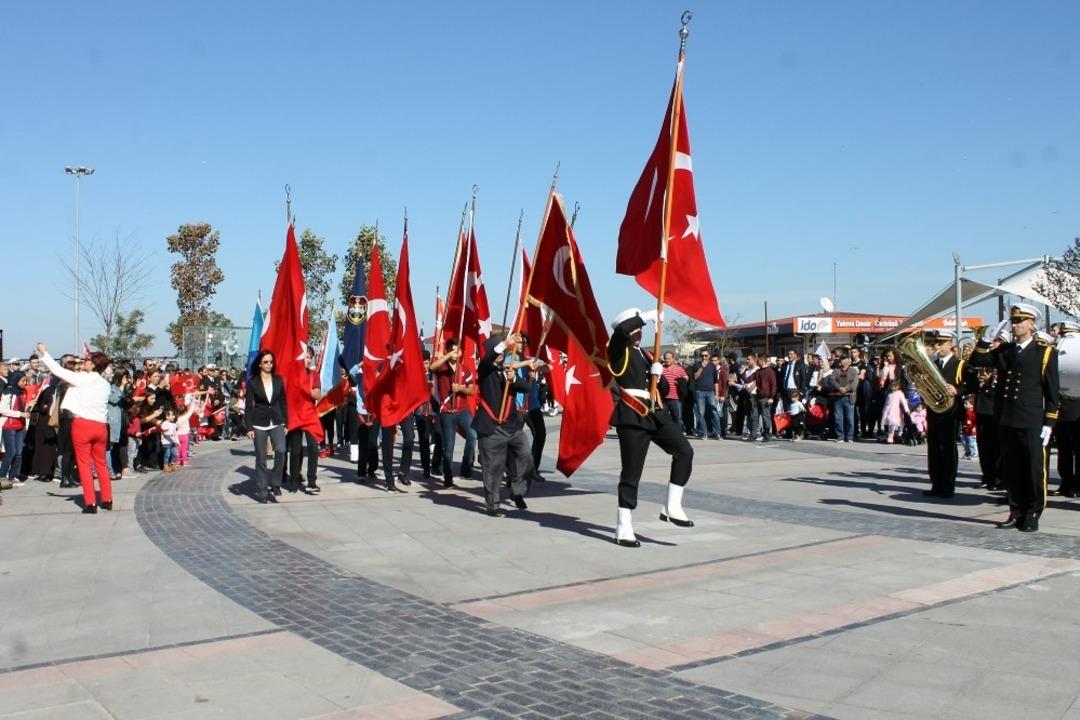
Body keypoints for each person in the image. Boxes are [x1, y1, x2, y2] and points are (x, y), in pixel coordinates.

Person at [607, 308, 694, 548]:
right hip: (631, 415)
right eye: (637, 327)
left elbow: (663, 390)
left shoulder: (646, 354)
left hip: (654, 413)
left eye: (642, 327)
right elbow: (621, 332)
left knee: (684, 451)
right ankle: (624, 524)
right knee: (632, 472)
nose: (641, 331)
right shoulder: (617, 350)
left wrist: (660, 374)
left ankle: (672, 506)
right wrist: (644, 316)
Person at [968, 304, 1059, 532]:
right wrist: (985, 341)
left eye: (1020, 321)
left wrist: (1049, 422)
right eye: (1013, 321)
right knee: (1012, 468)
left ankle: (1032, 512)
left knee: (1033, 469)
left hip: (1031, 419)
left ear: (1031, 324)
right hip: (1007, 417)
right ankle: (1015, 510)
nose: (1015, 325)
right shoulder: (1005, 350)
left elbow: (1051, 391)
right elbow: (976, 362)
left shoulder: (1044, 352)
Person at [36, 343, 114, 513]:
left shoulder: (81, 378)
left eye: (87, 360)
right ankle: (107, 500)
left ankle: (90, 503)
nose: (83, 362)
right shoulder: (105, 384)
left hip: (82, 425)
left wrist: (43, 353)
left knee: (84, 464)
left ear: (93, 364)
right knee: (101, 464)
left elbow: (57, 370)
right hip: (100, 426)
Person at [473, 334, 535, 516]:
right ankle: (493, 505)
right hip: (491, 427)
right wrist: (503, 344)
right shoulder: (484, 369)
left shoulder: (507, 370)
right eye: (501, 350)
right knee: (493, 468)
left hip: (511, 426)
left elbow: (524, 388)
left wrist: (514, 379)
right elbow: (488, 359)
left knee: (526, 457)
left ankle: (517, 491)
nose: (504, 354)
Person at [921, 330, 965, 499]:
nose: (937, 347)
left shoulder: (960, 364)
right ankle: (936, 483)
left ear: (950, 344)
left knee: (948, 449)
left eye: (941, 343)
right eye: (936, 343)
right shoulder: (933, 364)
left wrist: (958, 390)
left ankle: (949, 485)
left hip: (950, 413)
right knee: (933, 449)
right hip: (934, 412)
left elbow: (971, 384)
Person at [429, 338, 477, 487]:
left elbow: (471, 390)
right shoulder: (442, 368)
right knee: (448, 448)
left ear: (461, 352)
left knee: (473, 435)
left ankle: (466, 468)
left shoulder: (465, 369)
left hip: (463, 411)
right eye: (452, 350)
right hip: (447, 412)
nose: (455, 352)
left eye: (457, 350)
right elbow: (431, 368)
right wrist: (447, 356)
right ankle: (447, 477)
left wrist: (461, 389)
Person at [244, 350, 288, 504]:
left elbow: (283, 402)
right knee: (261, 458)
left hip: (276, 420)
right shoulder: (253, 382)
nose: (269, 364)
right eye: (266, 362)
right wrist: (249, 427)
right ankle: (262, 490)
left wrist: (286, 423)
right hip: (259, 423)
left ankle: (276, 482)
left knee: (281, 450)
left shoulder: (278, 380)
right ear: (260, 364)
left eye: (271, 362)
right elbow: (249, 406)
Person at [1053, 321, 1080, 497]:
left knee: (1077, 449)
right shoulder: (1056, 352)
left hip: (1077, 407)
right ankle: (1065, 482)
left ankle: (1077, 485)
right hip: (1060, 409)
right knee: (1064, 450)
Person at [0, 371, 31, 486]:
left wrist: (28, 406)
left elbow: (21, 407)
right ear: (16, 380)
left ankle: (12, 476)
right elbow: (2, 409)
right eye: (22, 380)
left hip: (19, 426)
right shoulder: (8, 392)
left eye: (25, 380)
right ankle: (2, 477)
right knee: (11, 453)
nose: (25, 383)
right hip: (9, 426)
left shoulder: (21, 393)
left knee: (19, 453)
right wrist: (20, 414)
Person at [690, 348, 721, 439]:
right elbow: (695, 377)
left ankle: (717, 433)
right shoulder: (696, 365)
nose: (704, 357)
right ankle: (704, 433)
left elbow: (716, 381)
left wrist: (717, 393)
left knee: (714, 411)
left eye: (706, 355)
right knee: (701, 413)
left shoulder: (712, 366)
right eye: (702, 356)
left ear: (709, 356)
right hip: (700, 391)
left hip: (711, 392)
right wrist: (701, 368)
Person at [830, 355, 859, 442]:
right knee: (838, 418)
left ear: (848, 361)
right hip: (837, 397)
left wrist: (846, 388)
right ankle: (840, 436)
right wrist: (839, 388)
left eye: (844, 359)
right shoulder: (836, 370)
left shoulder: (853, 371)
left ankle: (850, 436)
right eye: (841, 359)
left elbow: (854, 382)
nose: (842, 361)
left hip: (849, 397)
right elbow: (832, 380)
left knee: (850, 418)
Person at [660, 352, 689, 431]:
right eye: (666, 358)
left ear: (673, 359)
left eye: (669, 358)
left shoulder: (679, 368)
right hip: (664, 398)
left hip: (676, 398)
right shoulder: (661, 368)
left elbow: (686, 378)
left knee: (677, 418)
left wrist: (680, 382)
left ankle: (679, 435)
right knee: (663, 417)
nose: (667, 360)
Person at [880, 379, 909, 444]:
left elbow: (904, 402)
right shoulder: (889, 394)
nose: (892, 388)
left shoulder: (900, 393)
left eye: (894, 386)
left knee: (894, 423)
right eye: (891, 386)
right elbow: (886, 403)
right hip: (888, 411)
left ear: (898, 386)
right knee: (890, 424)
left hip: (895, 411)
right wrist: (883, 410)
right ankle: (890, 436)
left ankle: (898, 434)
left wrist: (907, 410)